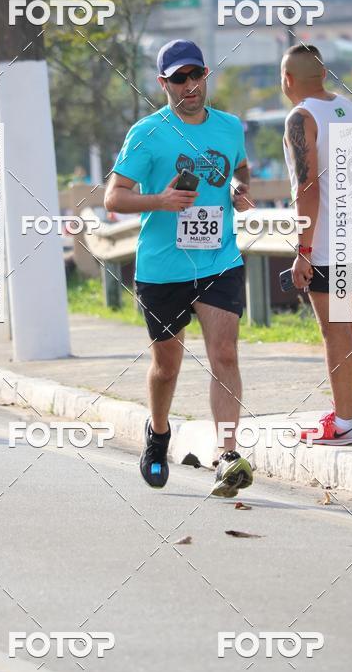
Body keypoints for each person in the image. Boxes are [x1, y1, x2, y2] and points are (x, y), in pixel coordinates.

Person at [105, 38, 254, 497]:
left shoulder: (230, 127)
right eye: (178, 79)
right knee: (166, 366)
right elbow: (114, 197)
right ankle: (158, 431)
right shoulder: (148, 132)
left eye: (196, 75)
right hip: (163, 266)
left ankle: (226, 455)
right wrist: (161, 201)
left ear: (207, 74)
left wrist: (239, 188)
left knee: (224, 355)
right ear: (163, 83)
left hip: (219, 259)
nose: (189, 86)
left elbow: (241, 169)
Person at [281, 44, 352, 445]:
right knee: (350, 327)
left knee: (334, 330)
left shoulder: (300, 117)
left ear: (287, 80)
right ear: (322, 75)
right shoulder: (348, 107)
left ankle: (344, 422)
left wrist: (302, 251)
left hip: (327, 240)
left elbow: (307, 187)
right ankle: (347, 415)